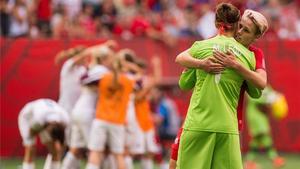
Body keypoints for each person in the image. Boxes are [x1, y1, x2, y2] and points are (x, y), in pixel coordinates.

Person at [170, 8, 269, 169]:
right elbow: (183, 60)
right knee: (173, 162)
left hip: (227, 121)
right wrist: (201, 64)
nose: (240, 32)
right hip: (206, 119)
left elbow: (260, 84)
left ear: (256, 36)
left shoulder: (254, 54)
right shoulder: (214, 44)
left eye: (246, 30)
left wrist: (236, 66)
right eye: (240, 26)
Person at [61, 45, 115, 169]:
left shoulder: (94, 68)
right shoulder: (101, 70)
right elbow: (84, 80)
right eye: (111, 58)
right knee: (96, 149)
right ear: (104, 59)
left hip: (78, 110)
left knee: (75, 149)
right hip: (87, 112)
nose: (113, 61)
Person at [85, 51, 134, 169]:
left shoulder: (104, 78)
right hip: (118, 122)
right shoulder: (128, 81)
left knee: (95, 152)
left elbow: (84, 80)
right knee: (118, 155)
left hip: (101, 119)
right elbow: (140, 84)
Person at [18, 99, 69, 169]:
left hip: (45, 120)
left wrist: (58, 148)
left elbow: (62, 144)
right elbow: (31, 132)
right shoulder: (39, 119)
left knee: (55, 150)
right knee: (30, 148)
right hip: (28, 118)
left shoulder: (65, 119)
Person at [244, 86, 287, 169]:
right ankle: (275, 159)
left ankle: (249, 163)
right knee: (264, 137)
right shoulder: (253, 83)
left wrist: (276, 97)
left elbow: (272, 95)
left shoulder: (266, 85)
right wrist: (268, 100)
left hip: (262, 116)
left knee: (256, 140)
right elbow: (253, 98)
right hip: (255, 116)